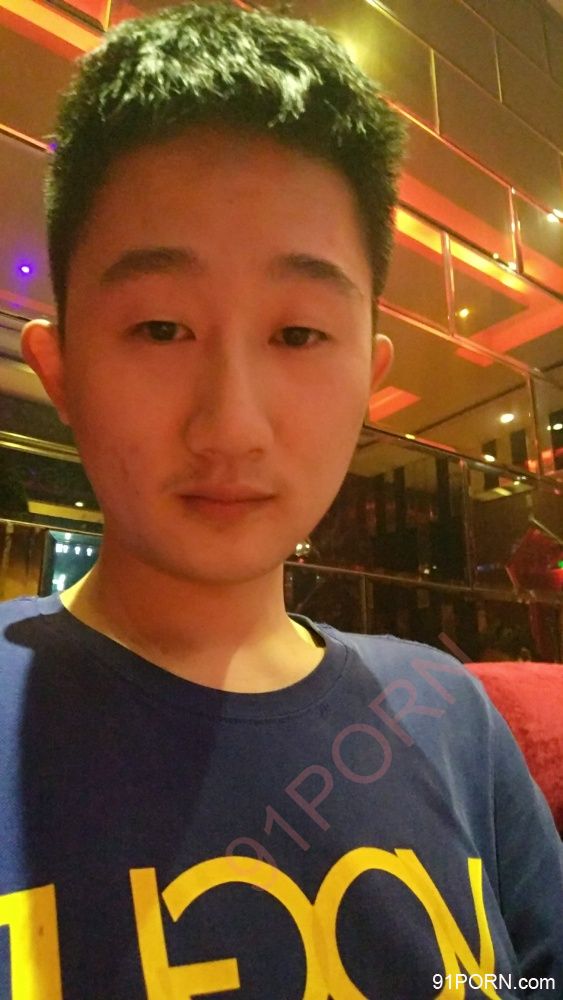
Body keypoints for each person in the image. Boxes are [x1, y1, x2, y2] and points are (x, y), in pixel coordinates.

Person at [0, 3, 561, 997]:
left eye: (297, 334)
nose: (231, 425)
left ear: (367, 380)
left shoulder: (445, 713)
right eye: (161, 328)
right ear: (61, 368)